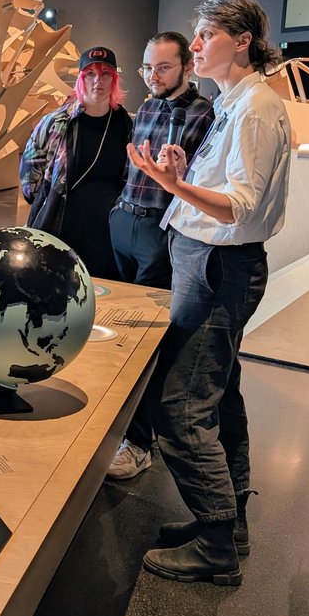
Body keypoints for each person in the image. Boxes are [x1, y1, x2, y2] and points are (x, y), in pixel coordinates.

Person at [127, 0, 291, 586]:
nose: (193, 47)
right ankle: (228, 522)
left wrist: (171, 183)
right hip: (208, 261)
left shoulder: (253, 109)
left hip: (220, 265)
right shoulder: (235, 103)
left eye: (203, 36)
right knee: (220, 395)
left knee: (182, 403)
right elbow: (226, 188)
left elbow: (240, 207)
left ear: (241, 39)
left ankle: (217, 542)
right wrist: (183, 174)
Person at [106, 32, 214, 481]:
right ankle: (122, 428)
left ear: (186, 67)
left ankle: (140, 440)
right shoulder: (147, 107)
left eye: (163, 68)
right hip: (124, 221)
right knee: (119, 331)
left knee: (148, 339)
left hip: (159, 228)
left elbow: (199, 181)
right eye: (147, 68)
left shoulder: (205, 113)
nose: (153, 76)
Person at [20, 46, 135, 279]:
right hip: (60, 224)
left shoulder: (125, 124)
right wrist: (42, 197)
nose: (97, 81)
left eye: (105, 74)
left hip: (106, 231)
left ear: (114, 80)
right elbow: (30, 169)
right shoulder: (57, 121)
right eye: (90, 74)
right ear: (80, 80)